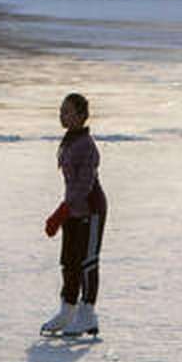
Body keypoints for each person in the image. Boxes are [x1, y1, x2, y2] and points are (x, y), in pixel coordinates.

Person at [40, 91, 105, 339]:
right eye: (60, 110)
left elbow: (84, 184)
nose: (62, 115)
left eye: (67, 111)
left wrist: (63, 210)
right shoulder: (70, 140)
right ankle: (67, 310)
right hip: (73, 208)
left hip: (91, 208)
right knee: (68, 261)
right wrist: (65, 210)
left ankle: (88, 314)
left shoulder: (86, 145)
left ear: (81, 115)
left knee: (86, 261)